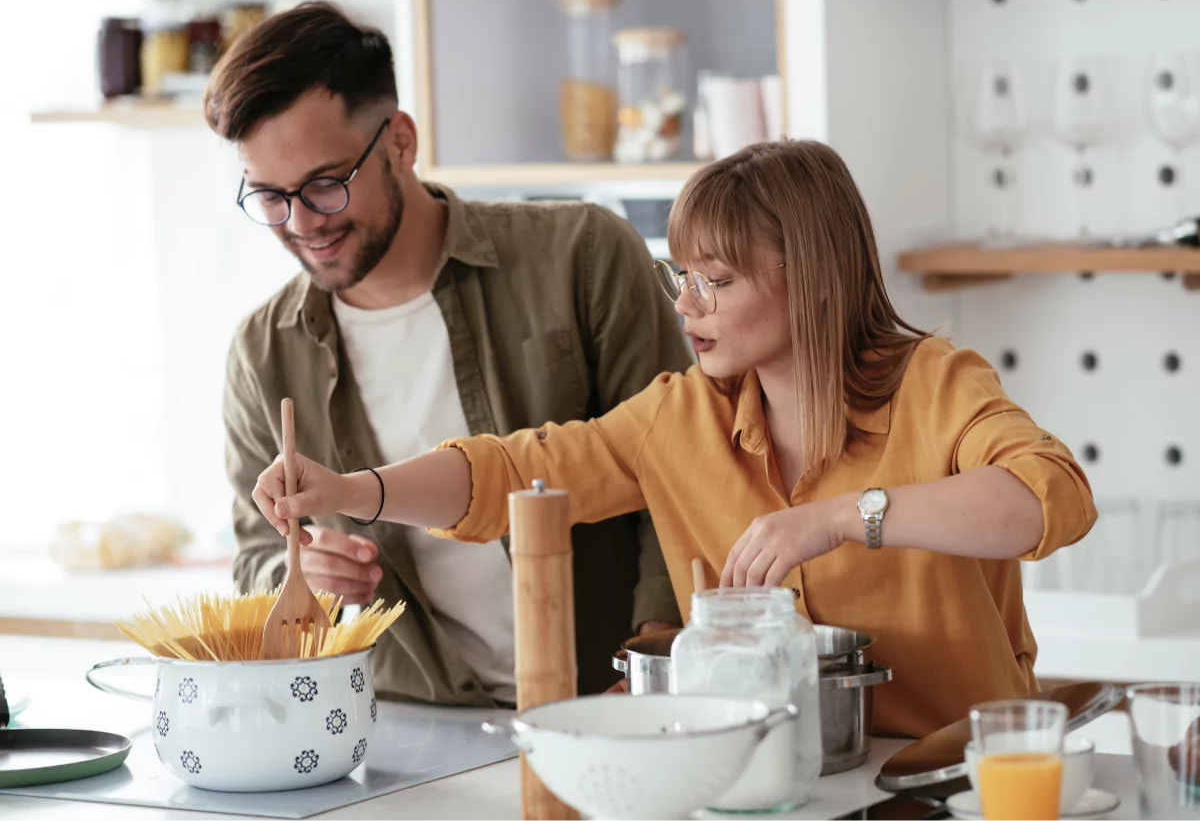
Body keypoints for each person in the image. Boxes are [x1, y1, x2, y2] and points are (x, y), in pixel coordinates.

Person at [249, 139, 1098, 738]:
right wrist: (351, 489)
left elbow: (1046, 499)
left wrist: (843, 516)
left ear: (812, 278)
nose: (685, 306)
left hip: (955, 786)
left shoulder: (938, 384)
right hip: (762, 788)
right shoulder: (680, 414)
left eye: (716, 281)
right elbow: (515, 469)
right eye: (680, 276)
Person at [206, 2, 691, 705]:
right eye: (270, 197)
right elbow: (254, 556)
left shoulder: (581, 255)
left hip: (611, 709)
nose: (302, 222)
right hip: (412, 732)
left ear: (399, 141)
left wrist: (654, 663)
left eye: (323, 184)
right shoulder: (262, 353)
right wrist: (300, 571)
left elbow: (674, 471)